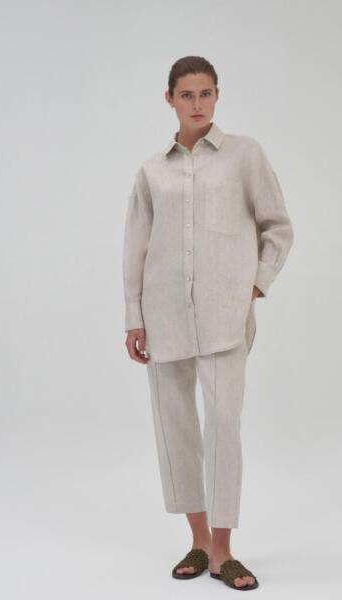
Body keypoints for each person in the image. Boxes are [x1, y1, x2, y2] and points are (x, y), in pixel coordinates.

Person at [122, 55, 294, 590]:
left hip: (225, 317)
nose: (197, 104)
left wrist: (256, 283)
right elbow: (136, 246)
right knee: (176, 430)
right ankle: (197, 541)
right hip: (164, 315)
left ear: (217, 96)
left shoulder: (245, 155)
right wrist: (133, 316)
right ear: (169, 99)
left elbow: (278, 226)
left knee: (223, 427)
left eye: (206, 93)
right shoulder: (152, 170)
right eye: (187, 95)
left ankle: (223, 550)